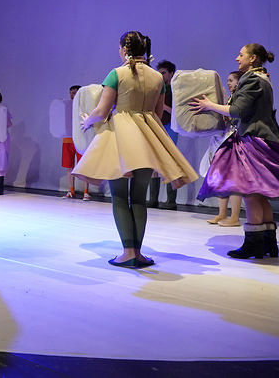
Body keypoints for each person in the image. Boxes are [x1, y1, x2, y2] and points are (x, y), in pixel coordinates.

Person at [191, 44, 279, 259]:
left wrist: (210, 105)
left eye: (241, 54)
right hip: (262, 138)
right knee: (259, 195)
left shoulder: (252, 79)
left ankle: (254, 245)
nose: (237, 58)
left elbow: (238, 110)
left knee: (250, 194)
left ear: (252, 58)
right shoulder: (264, 78)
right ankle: (269, 243)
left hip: (252, 140)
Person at [75, 31, 199, 269]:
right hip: (147, 137)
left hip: (119, 137)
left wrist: (86, 122)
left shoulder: (117, 73)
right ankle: (138, 253)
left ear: (124, 49)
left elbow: (101, 111)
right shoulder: (157, 77)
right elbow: (158, 113)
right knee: (140, 198)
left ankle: (127, 252)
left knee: (120, 197)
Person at [206, 70, 245, 227]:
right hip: (226, 139)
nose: (228, 83)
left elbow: (235, 115)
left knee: (234, 179)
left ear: (239, 82)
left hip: (235, 139)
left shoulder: (241, 97)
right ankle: (222, 213)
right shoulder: (232, 97)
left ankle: (234, 217)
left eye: (231, 80)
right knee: (222, 177)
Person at [148, 60, 179, 210]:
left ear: (171, 74)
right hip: (158, 126)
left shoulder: (176, 90)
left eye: (164, 72)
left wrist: (164, 107)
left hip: (171, 128)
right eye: (159, 72)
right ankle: (152, 200)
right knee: (154, 163)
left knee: (169, 162)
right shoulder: (157, 88)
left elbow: (178, 114)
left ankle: (171, 201)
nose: (161, 75)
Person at [62, 85, 90, 200]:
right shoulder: (66, 106)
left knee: (83, 166)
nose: (72, 95)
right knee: (69, 166)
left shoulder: (85, 107)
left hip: (80, 139)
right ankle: (71, 191)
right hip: (67, 139)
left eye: (74, 92)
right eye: (71, 93)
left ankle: (86, 192)